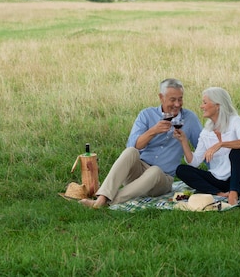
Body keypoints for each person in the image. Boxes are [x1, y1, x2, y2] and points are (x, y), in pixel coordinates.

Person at [79, 78, 202, 208]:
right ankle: (103, 196)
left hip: (162, 179)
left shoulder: (190, 118)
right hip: (138, 172)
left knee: (155, 170)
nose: (177, 104)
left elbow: (203, 147)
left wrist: (218, 176)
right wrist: (153, 131)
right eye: (173, 99)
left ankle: (106, 203)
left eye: (180, 99)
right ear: (161, 97)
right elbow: (133, 145)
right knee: (130, 151)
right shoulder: (146, 115)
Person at [174, 87, 240, 206]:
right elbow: (194, 162)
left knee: (236, 152)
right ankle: (219, 193)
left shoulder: (235, 121)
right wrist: (184, 141)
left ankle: (234, 193)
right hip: (221, 180)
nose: (201, 106)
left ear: (218, 105)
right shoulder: (206, 132)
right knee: (181, 170)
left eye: (205, 103)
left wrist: (220, 144)